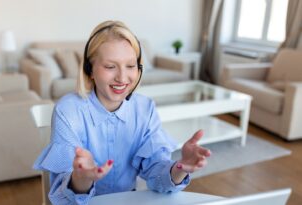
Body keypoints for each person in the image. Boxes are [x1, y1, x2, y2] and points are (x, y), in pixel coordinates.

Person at [33, 20, 211, 205]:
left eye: (131, 65)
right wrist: (82, 179)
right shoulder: (68, 110)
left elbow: (156, 173)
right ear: (89, 70)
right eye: (110, 67)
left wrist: (180, 168)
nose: (122, 77)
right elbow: (62, 196)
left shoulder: (145, 108)